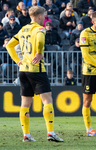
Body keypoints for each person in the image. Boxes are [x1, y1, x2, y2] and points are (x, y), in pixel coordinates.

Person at [6, 6, 63, 142]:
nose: (44, 18)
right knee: (47, 100)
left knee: (25, 103)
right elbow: (41, 40)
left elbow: (9, 45)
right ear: (39, 16)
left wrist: (18, 61)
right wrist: (38, 51)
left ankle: (26, 135)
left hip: (23, 70)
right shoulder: (40, 28)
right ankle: (50, 133)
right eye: (44, 15)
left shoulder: (23, 29)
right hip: (36, 69)